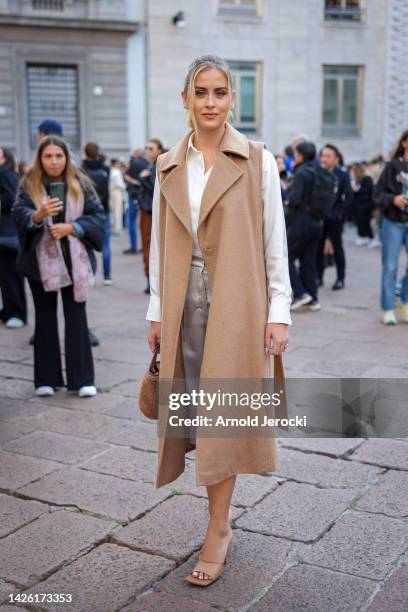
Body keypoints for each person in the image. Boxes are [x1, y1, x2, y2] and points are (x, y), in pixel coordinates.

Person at [146, 54, 292, 586]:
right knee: (192, 420)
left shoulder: (259, 159)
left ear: (233, 98)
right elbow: (161, 246)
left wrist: (280, 312)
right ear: (185, 98)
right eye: (201, 92)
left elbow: (276, 242)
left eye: (220, 92)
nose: (210, 103)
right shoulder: (166, 165)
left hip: (237, 305)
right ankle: (218, 519)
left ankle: (218, 528)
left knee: (223, 419)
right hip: (182, 304)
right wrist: (156, 312)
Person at [12, 135, 104, 397]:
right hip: (40, 265)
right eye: (48, 156)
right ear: (40, 159)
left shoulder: (81, 183)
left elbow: (97, 217)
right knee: (45, 318)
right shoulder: (29, 185)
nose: (54, 162)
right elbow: (19, 215)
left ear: (66, 158)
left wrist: (73, 227)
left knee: (77, 318)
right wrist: (38, 215)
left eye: (59, 156)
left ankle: (82, 379)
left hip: (76, 262)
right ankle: (46, 379)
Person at [374, 129, 408, 325]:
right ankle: (388, 308)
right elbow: (377, 194)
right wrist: (394, 199)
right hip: (393, 221)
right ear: (404, 142)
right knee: (390, 265)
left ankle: (404, 301)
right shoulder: (393, 167)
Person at [286, 141, 323, 311]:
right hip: (317, 222)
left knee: (286, 257)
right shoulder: (317, 171)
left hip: (302, 222)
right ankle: (313, 298)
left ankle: (300, 294)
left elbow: (293, 200)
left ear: (300, 155)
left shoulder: (301, 173)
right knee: (308, 261)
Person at [317, 144, 354, 290]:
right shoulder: (318, 172)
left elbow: (349, 196)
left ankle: (340, 278)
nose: (324, 159)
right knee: (318, 247)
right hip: (319, 216)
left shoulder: (342, 175)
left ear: (336, 159)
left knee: (337, 247)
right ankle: (318, 277)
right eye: (323, 156)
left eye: (328, 156)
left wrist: (340, 213)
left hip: (335, 217)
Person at [0, 148, 27, 328]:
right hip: (6, 232)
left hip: (7, 233)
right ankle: (9, 310)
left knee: (10, 275)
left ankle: (17, 312)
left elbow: (11, 197)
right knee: (6, 276)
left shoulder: (5, 172)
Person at [81, 142, 112, 285]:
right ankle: (107, 277)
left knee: (86, 244)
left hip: (86, 211)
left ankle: (89, 275)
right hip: (104, 209)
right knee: (106, 244)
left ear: (85, 153)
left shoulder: (81, 169)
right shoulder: (106, 168)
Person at [139, 139, 164, 294]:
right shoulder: (151, 165)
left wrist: (143, 179)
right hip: (147, 209)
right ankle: (150, 280)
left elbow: (156, 189)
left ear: (159, 150)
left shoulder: (158, 166)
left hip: (150, 211)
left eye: (151, 148)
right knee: (148, 245)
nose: (148, 151)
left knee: (149, 245)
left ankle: (151, 281)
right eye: (146, 148)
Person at [124, 149, 148, 254]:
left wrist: (134, 182)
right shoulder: (148, 164)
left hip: (134, 195)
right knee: (144, 223)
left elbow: (126, 177)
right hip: (145, 196)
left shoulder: (134, 164)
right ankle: (144, 246)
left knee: (132, 222)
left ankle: (134, 246)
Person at [353, 163, 375, 246]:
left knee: (366, 222)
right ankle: (363, 236)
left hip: (367, 205)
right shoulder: (359, 180)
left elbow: (369, 191)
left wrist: (357, 191)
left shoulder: (367, 179)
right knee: (360, 222)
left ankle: (370, 237)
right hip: (360, 205)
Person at [109, 158, 125, 235]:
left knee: (113, 210)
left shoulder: (110, 171)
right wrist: (124, 187)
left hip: (112, 192)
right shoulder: (117, 172)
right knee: (118, 210)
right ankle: (117, 228)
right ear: (115, 164)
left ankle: (114, 227)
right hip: (117, 191)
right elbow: (120, 184)